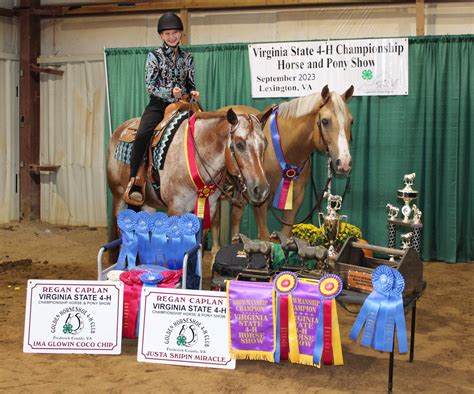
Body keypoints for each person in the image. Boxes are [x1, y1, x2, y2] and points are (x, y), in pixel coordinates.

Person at [125, 12, 200, 205]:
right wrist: (170, 93)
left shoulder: (188, 58)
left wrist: (193, 93)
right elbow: (150, 86)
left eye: (175, 32)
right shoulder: (154, 57)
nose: (171, 36)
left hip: (183, 104)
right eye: (167, 33)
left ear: (180, 34)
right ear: (161, 36)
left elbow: (190, 83)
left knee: (205, 129)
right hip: (159, 105)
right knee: (143, 134)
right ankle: (135, 179)